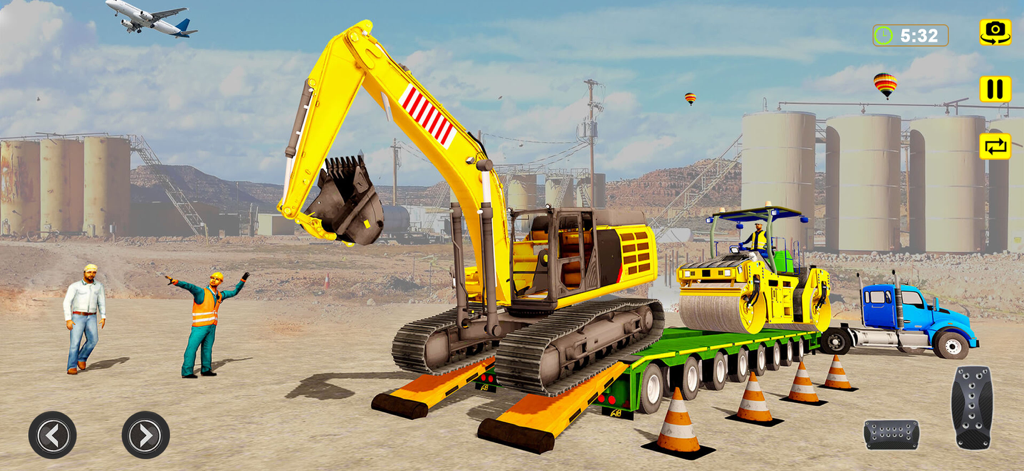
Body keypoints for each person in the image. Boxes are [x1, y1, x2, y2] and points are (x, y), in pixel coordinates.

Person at [165, 271, 249, 378]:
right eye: (212, 278)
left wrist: (243, 280)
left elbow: (234, 292)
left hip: (211, 327)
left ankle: (206, 369)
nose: (214, 280)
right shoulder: (201, 292)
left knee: (207, 349)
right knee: (191, 348)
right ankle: (187, 372)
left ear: (220, 282)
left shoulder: (220, 295)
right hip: (199, 327)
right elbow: (190, 286)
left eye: (217, 279)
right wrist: (175, 282)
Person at [63, 264, 106, 375]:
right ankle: (71, 366)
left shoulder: (99, 286)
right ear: (84, 272)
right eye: (89, 272)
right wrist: (68, 319)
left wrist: (103, 316)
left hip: (92, 316)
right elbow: (67, 302)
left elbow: (101, 302)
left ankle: (82, 358)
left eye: (94, 272)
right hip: (78, 316)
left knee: (93, 340)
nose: (91, 274)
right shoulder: (75, 286)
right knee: (75, 342)